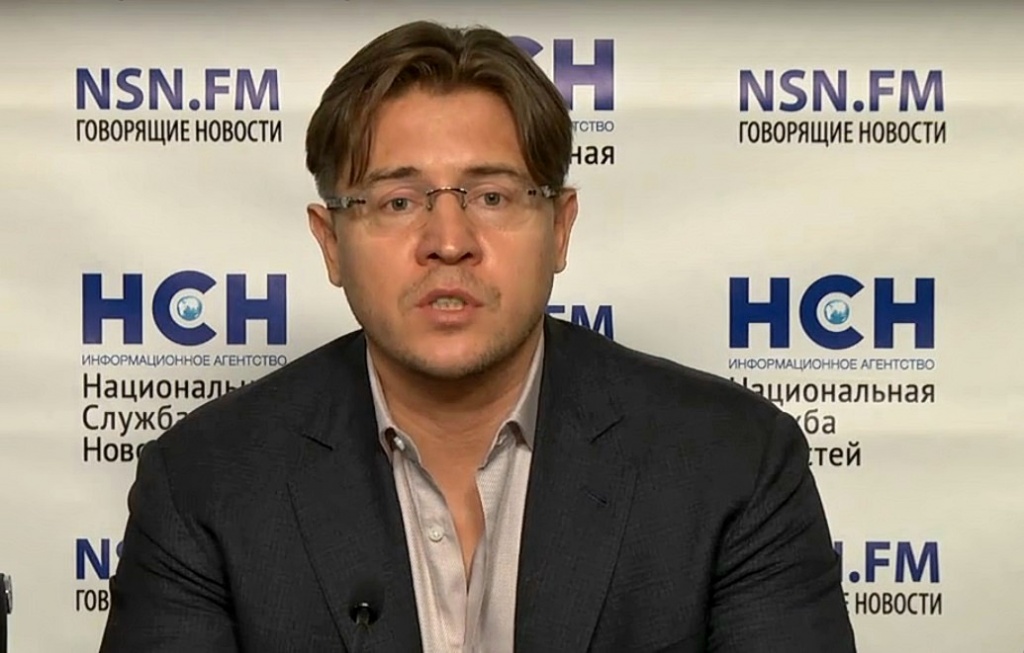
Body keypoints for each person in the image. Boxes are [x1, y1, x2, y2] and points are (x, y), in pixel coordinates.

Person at [99, 20, 856, 653]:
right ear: (330, 243)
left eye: (492, 196)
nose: (449, 241)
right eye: (398, 201)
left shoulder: (734, 463)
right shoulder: (205, 483)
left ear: (560, 229)